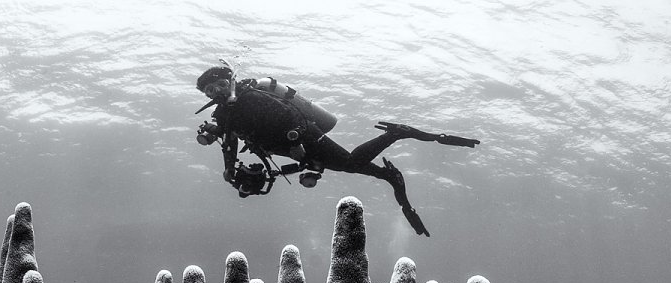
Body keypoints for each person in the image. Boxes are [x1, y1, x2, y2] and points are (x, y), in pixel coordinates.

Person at [195, 63, 480, 236]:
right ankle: (388, 176)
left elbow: (288, 116)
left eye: (219, 85)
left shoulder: (250, 98)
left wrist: (295, 143)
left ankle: (397, 133)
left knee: (350, 162)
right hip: (294, 149)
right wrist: (228, 169)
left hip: (305, 136)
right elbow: (228, 142)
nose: (215, 93)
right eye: (209, 91)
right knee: (348, 165)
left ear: (230, 81)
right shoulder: (223, 115)